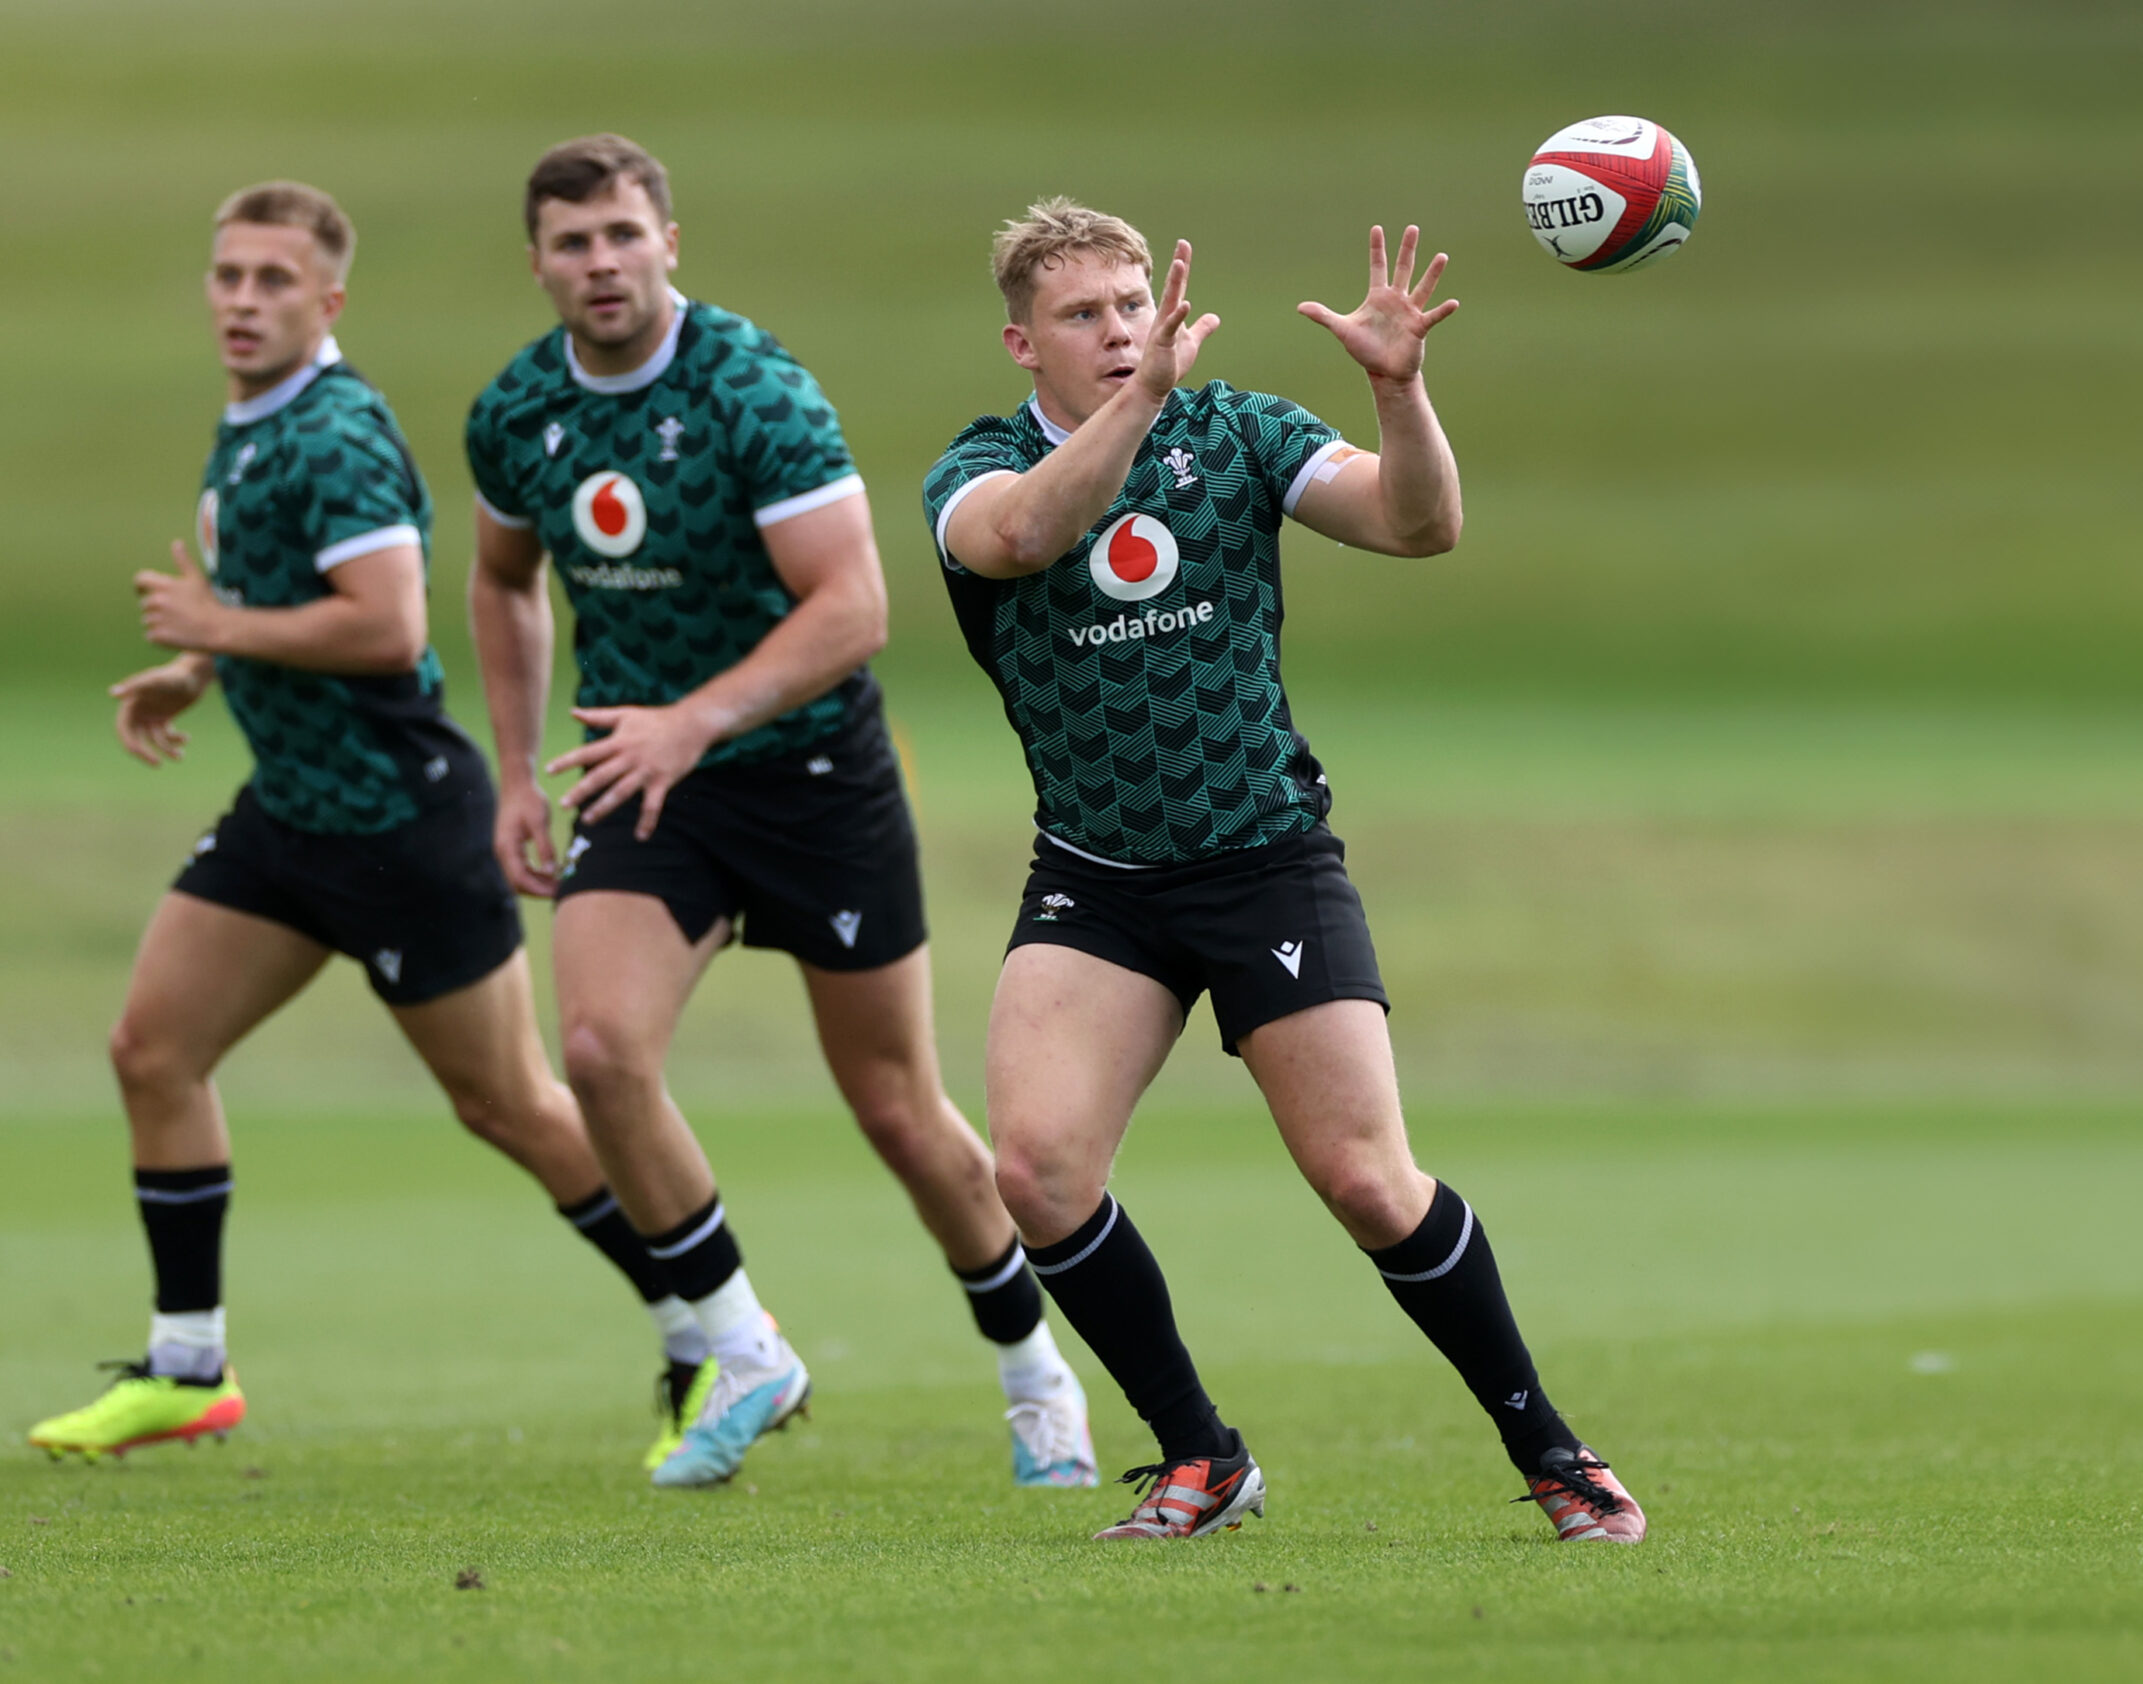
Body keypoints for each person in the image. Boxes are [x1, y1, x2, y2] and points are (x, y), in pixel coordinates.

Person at [921, 198, 1646, 1542]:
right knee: (1036, 1173)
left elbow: (1416, 526)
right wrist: (1136, 409)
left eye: (1132, 305)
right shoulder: (971, 469)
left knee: (1371, 1181)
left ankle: (1551, 1449)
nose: (1119, 332)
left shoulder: (1237, 430)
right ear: (1022, 342)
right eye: (1083, 316)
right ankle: (1202, 1455)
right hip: (1100, 877)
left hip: (1264, 858)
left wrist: (1400, 393)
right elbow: (1022, 537)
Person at [464, 136, 1093, 1490]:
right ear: (538, 263)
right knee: (599, 1050)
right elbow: (505, 581)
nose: (602, 263)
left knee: (894, 1106)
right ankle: (741, 1344)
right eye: (573, 243)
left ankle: (1035, 1369)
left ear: (668, 240)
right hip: (645, 777)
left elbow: (855, 609)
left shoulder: (753, 389)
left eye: (624, 234)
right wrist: (516, 767)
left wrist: (699, 716)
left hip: (812, 775)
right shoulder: (517, 412)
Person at [30, 183, 691, 1460]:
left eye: (273, 280)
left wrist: (215, 628)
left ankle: (710, 1326)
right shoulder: (253, 421)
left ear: (327, 301)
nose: (241, 300)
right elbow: (288, 596)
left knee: (513, 1108)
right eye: (228, 276)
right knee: (150, 1049)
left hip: (398, 829)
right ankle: (188, 1368)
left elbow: (386, 623)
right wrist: (208, 668)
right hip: (291, 816)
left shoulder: (333, 430)